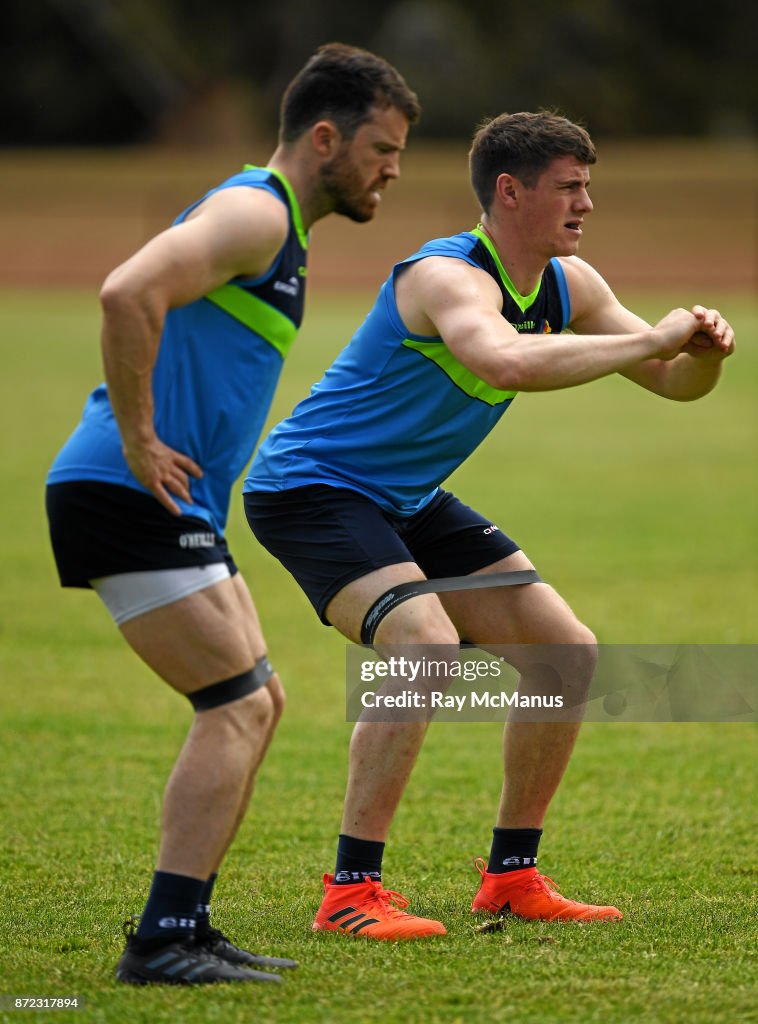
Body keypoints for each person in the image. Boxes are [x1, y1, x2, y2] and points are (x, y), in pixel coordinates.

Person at [243, 110, 735, 940]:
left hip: (404, 495)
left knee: (565, 654)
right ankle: (350, 892)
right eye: (569, 188)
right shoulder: (445, 277)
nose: (586, 205)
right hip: (312, 488)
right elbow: (502, 359)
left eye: (588, 187)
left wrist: (703, 360)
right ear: (511, 191)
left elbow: (672, 383)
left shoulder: (572, 284)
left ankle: (511, 876)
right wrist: (653, 340)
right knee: (424, 648)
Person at [45, 43, 420, 983]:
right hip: (129, 489)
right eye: (381, 147)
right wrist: (137, 440)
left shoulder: (278, 226)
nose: (393, 168)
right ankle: (163, 941)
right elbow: (128, 290)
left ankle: (187, 928)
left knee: (259, 701)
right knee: (236, 704)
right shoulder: (257, 211)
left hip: (168, 498)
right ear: (325, 137)